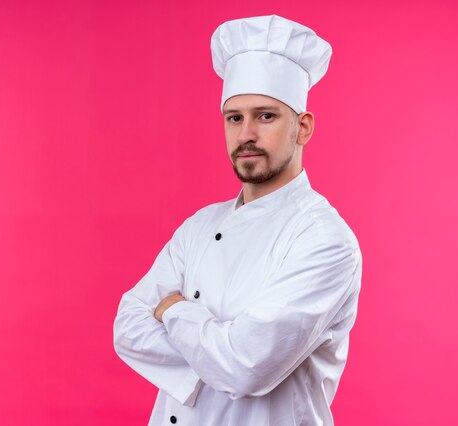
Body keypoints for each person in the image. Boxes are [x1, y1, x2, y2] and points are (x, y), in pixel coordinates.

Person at [113, 14, 362, 426]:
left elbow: (246, 366)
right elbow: (128, 326)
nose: (246, 133)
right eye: (234, 117)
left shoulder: (324, 239)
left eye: (265, 116)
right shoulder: (198, 226)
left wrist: (174, 311)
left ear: (303, 127)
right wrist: (217, 353)